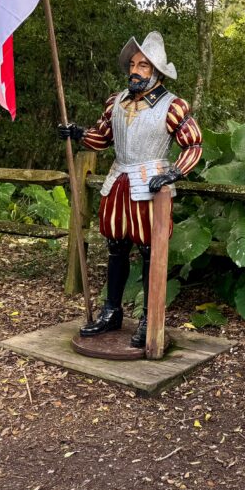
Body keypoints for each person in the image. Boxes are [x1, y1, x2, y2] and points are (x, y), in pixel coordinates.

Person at [57, 32, 202, 349]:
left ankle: (151, 318)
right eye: (133, 64)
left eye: (143, 65)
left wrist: (174, 172)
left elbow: (193, 143)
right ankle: (112, 311)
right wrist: (78, 133)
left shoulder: (172, 106)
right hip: (118, 181)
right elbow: (103, 137)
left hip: (151, 182)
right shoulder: (116, 102)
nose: (135, 70)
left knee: (151, 252)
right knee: (116, 247)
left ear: (157, 71)